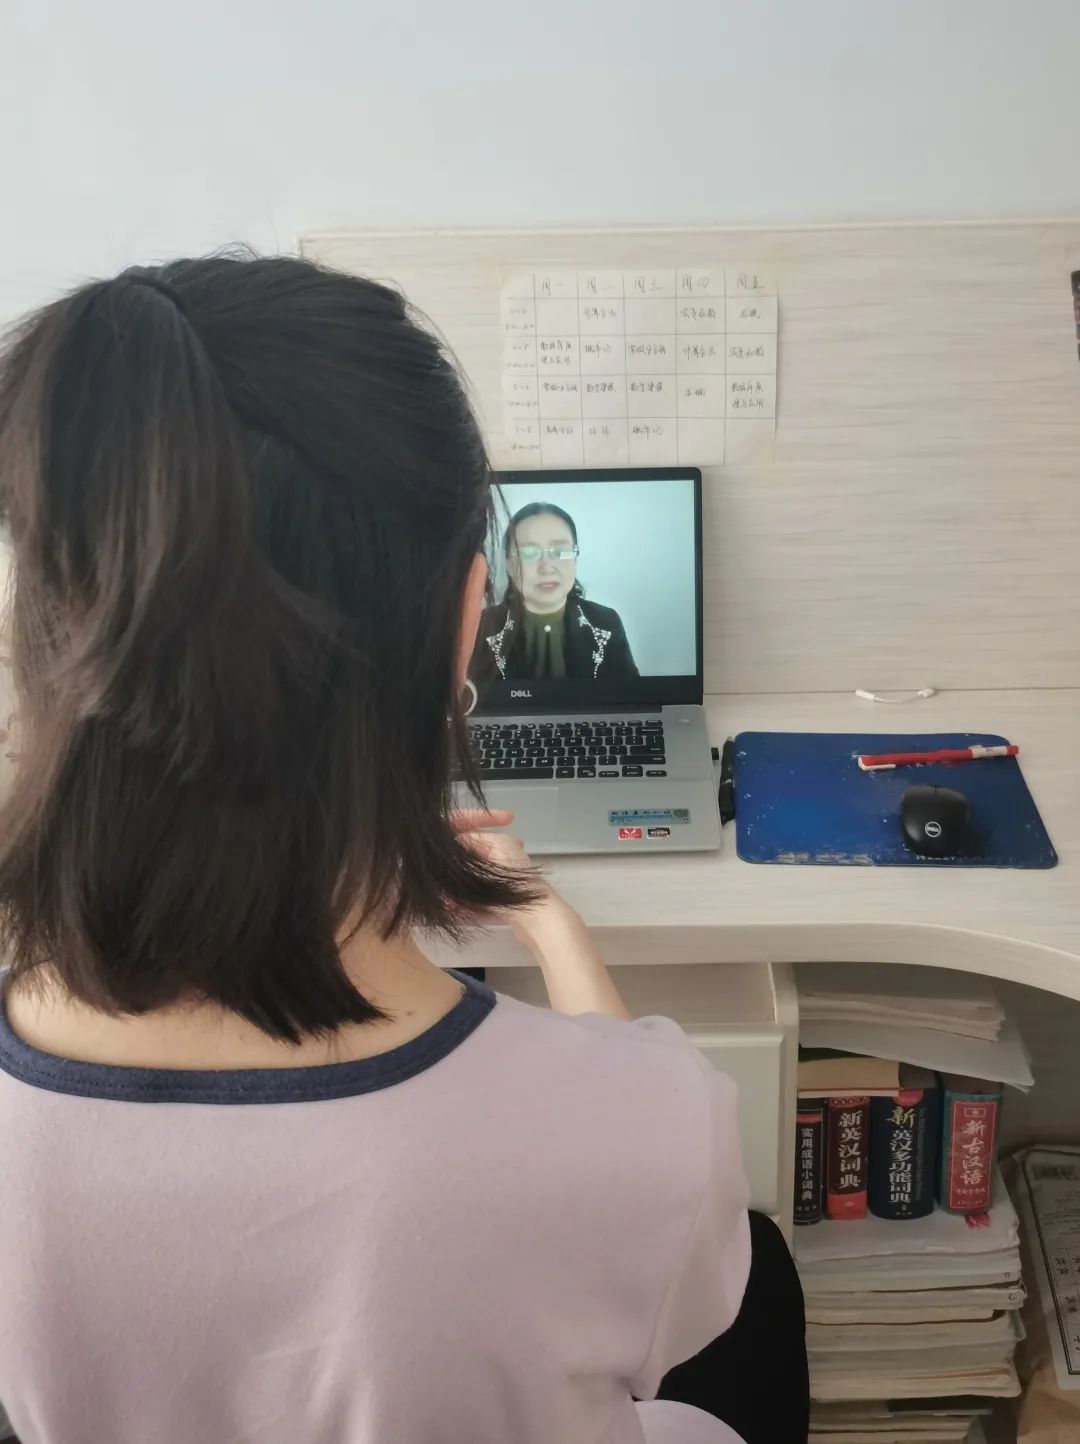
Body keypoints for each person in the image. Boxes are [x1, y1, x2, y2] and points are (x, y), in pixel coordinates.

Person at [0, 256, 797, 1444]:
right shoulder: (646, 1127)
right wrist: (551, 927)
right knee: (759, 1288)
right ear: (469, 611)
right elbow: (674, 1319)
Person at [473, 501, 639, 682]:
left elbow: (630, 695)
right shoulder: (482, 626)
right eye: (528, 553)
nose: (546, 568)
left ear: (575, 559)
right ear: (509, 566)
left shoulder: (606, 622)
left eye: (560, 551)